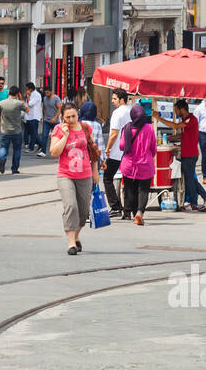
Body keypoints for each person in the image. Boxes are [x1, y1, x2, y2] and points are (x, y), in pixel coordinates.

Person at [49, 103, 100, 256]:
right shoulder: (58, 130)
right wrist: (64, 136)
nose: (71, 120)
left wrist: (95, 170)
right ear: (62, 118)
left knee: (83, 212)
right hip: (66, 174)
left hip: (85, 175)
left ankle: (76, 236)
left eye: (73, 116)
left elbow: (92, 149)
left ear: (78, 114)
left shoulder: (85, 128)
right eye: (67, 117)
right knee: (71, 206)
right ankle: (71, 242)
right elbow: (54, 152)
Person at [155, 100, 206, 211]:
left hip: (190, 154)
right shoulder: (186, 120)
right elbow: (183, 135)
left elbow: (175, 126)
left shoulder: (191, 119)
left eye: (176, 110)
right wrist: (169, 138)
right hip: (187, 153)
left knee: (189, 178)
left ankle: (198, 201)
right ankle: (205, 199)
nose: (176, 112)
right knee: (189, 178)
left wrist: (159, 119)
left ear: (182, 109)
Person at [118, 102, 158, 226]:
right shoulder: (149, 128)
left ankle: (135, 213)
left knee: (130, 190)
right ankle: (139, 212)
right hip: (145, 164)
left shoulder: (127, 128)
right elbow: (153, 148)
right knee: (143, 190)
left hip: (128, 164)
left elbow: (122, 146)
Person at [104, 89, 131, 218]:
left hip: (116, 152)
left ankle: (115, 206)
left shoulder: (117, 113)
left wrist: (107, 148)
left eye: (114, 99)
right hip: (130, 152)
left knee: (107, 178)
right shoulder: (132, 110)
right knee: (128, 181)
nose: (112, 101)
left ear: (121, 100)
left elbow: (114, 133)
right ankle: (127, 210)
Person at [0, 86, 26, 174]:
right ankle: (14, 169)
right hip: (16, 130)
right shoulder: (19, 103)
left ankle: (2, 159)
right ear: (17, 94)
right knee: (17, 150)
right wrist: (22, 99)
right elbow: (27, 110)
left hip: (4, 130)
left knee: (3, 147)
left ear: (9, 93)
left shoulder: (2, 103)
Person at [23, 82, 42, 154]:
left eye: (27, 89)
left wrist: (27, 97)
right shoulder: (30, 95)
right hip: (28, 116)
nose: (26, 90)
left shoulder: (36, 95)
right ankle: (41, 145)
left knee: (34, 133)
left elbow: (30, 104)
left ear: (30, 89)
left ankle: (32, 147)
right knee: (31, 133)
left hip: (34, 116)